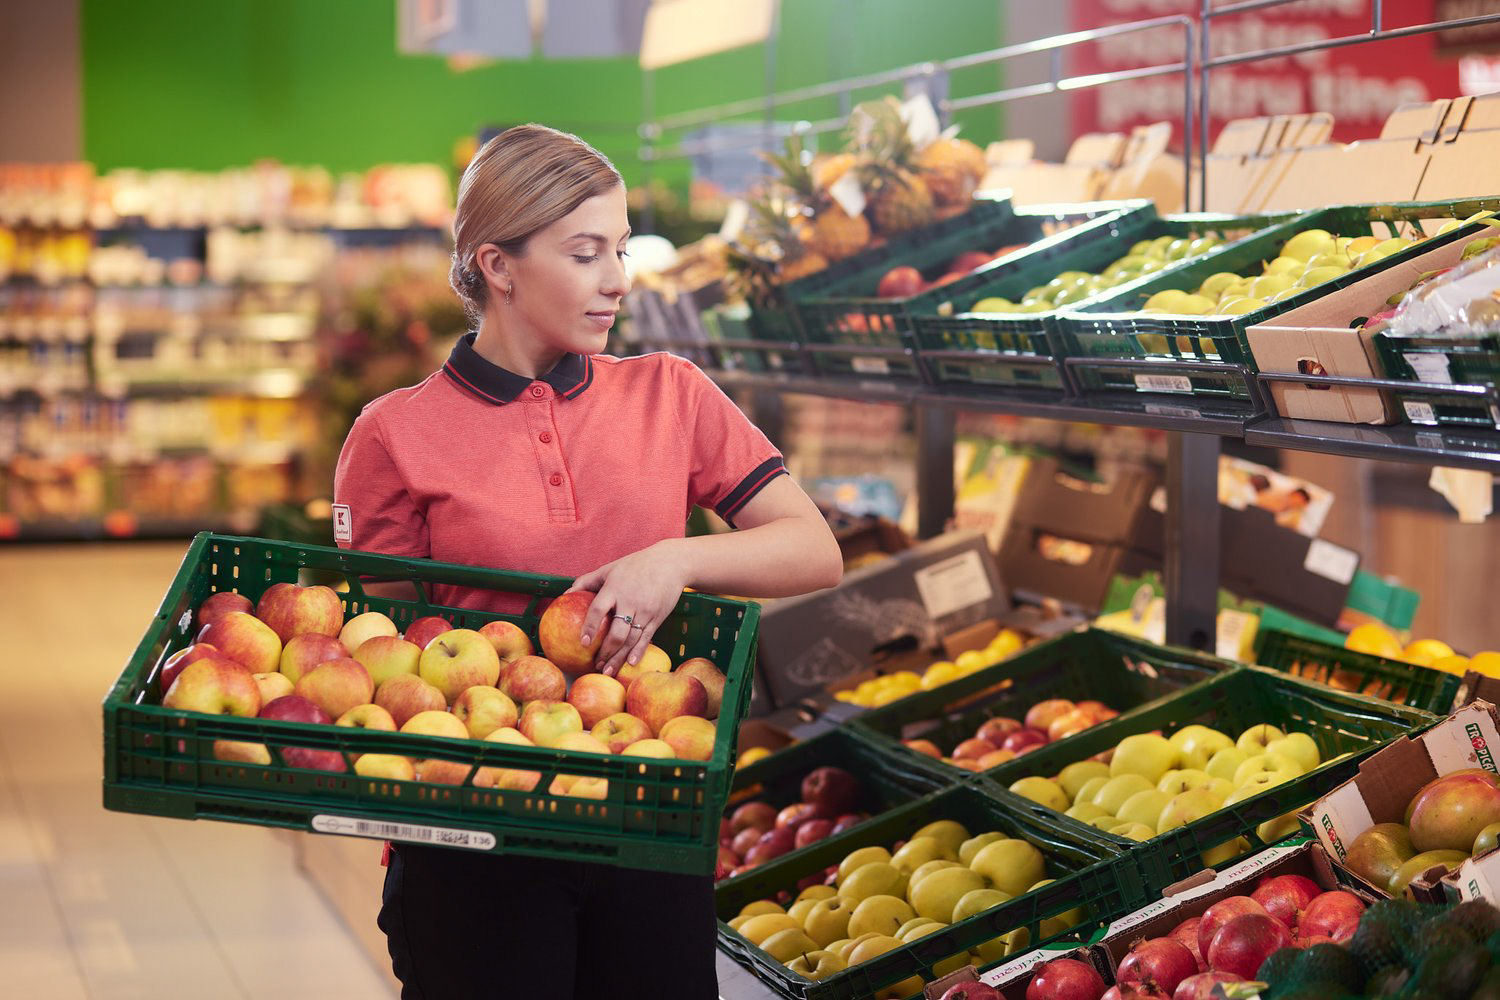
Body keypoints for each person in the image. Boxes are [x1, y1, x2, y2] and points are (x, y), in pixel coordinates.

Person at [332, 124, 843, 999]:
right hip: (475, 833)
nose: (617, 279)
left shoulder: (670, 394)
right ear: (497, 264)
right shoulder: (393, 435)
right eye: (584, 253)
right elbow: (382, 648)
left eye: (619, 248)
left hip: (648, 812)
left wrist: (676, 558)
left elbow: (814, 549)